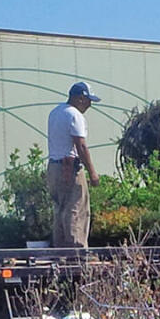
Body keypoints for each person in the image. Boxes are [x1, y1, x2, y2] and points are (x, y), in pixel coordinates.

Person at [46, 81, 101, 247]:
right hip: (69, 167)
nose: (89, 104)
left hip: (54, 167)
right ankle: (76, 252)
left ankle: (60, 249)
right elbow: (81, 146)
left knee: (60, 209)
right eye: (88, 100)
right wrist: (93, 173)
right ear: (79, 99)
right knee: (76, 209)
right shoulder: (75, 115)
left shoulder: (55, 112)